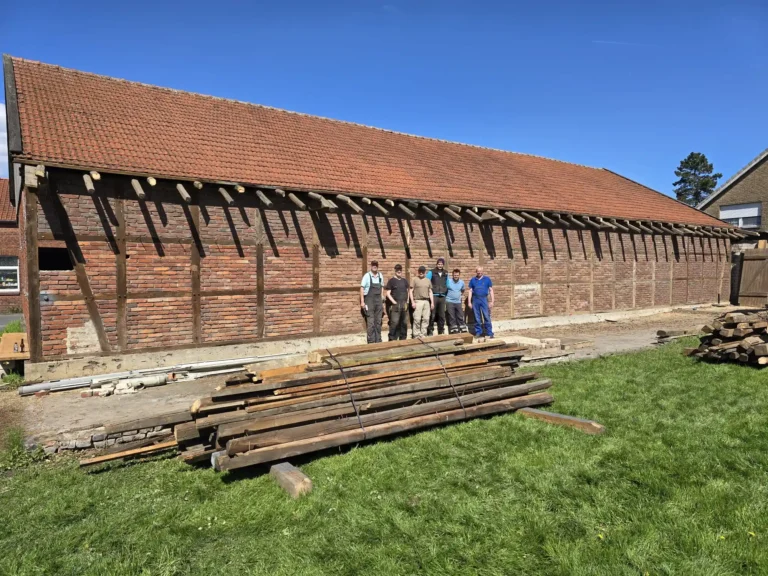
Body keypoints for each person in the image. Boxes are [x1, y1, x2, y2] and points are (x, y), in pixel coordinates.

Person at [360, 260, 384, 343]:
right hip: (369, 302)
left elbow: (382, 287)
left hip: (378, 302)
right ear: (371, 266)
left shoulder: (380, 276)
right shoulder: (367, 276)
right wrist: (362, 302)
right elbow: (362, 288)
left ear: (377, 266)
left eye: (376, 265)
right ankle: (371, 341)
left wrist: (382, 299)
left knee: (378, 322)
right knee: (371, 323)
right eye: (373, 265)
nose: (375, 266)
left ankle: (378, 340)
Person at [468, 266, 494, 341]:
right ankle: (478, 332)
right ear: (476, 272)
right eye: (478, 271)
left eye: (480, 271)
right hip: (475, 299)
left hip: (484, 299)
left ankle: (489, 333)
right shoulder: (473, 280)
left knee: (486, 316)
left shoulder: (487, 279)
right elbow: (470, 291)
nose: (479, 272)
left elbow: (491, 290)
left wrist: (492, 301)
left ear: (482, 271)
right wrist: (469, 302)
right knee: (477, 317)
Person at [385, 264, 410, 341]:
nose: (399, 271)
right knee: (394, 323)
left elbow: (408, 291)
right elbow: (388, 293)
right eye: (397, 270)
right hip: (395, 305)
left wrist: (407, 301)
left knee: (404, 323)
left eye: (400, 270)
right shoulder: (391, 281)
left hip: (404, 305)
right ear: (395, 271)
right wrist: (394, 302)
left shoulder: (404, 281)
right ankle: (392, 339)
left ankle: (403, 339)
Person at [426, 257, 448, 335]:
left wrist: (445, 291)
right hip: (434, 295)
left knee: (442, 315)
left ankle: (441, 330)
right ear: (436, 264)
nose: (440, 265)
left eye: (441, 264)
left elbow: (447, 283)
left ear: (443, 265)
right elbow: (427, 282)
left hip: (442, 296)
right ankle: (430, 330)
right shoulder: (431, 272)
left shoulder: (446, 273)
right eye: (439, 264)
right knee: (432, 314)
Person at [410, 266, 433, 338]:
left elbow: (430, 291)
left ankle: (423, 334)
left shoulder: (428, 280)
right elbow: (410, 291)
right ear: (418, 271)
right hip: (418, 301)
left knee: (426, 319)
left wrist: (432, 302)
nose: (421, 273)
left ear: (425, 272)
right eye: (420, 271)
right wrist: (412, 302)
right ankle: (416, 335)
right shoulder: (414, 280)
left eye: (422, 271)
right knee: (417, 319)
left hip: (426, 301)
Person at [446, 268, 468, 334]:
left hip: (458, 301)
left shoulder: (461, 282)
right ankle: (454, 329)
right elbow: (445, 289)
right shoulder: (449, 281)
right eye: (455, 275)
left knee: (460, 315)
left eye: (457, 275)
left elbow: (463, 290)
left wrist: (459, 295)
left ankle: (462, 328)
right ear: (452, 275)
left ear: (459, 275)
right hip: (449, 301)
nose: (456, 276)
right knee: (451, 316)